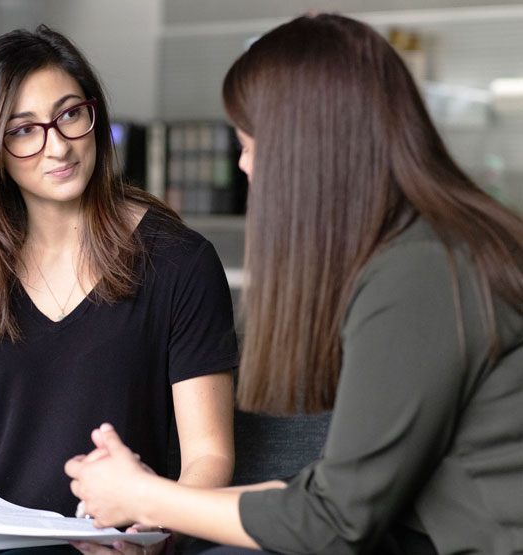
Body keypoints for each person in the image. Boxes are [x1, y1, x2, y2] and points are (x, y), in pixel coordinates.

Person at [65, 13, 523, 555]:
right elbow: (337, 493)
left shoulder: (419, 276)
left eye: (249, 144)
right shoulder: (433, 248)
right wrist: (154, 500)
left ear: (306, 153)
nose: (243, 165)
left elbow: (332, 522)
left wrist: (144, 496)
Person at [0, 25, 238, 555]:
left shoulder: (181, 261)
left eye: (69, 115)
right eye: (23, 130)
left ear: (94, 114)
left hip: (115, 543)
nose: (57, 146)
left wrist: (161, 529)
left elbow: (209, 456)